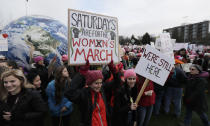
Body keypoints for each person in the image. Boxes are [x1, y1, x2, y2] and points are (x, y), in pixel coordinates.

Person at [65, 60, 120, 126]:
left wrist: (114, 71)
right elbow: (69, 93)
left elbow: (117, 83)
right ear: (90, 83)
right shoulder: (84, 93)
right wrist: (81, 73)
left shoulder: (102, 90)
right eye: (96, 83)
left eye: (100, 83)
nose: (99, 86)